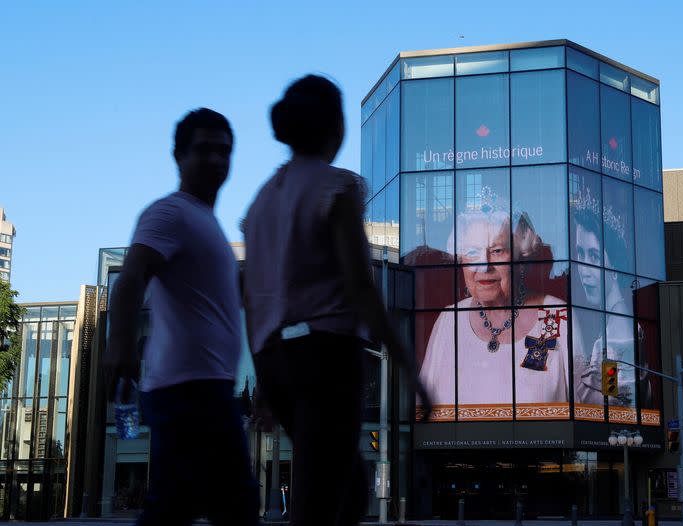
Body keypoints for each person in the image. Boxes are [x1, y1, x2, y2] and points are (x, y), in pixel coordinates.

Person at [242, 75, 431, 526]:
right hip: (326, 355)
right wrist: (405, 360)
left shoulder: (262, 203)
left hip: (274, 358)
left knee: (345, 482)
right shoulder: (335, 188)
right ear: (335, 128)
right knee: (321, 494)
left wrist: (266, 385)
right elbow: (360, 286)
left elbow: (257, 298)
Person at [104, 108, 259, 526]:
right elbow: (130, 278)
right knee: (233, 506)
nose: (215, 159)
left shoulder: (207, 225)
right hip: (187, 388)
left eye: (224, 151)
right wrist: (119, 348)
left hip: (204, 386)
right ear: (178, 156)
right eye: (204, 150)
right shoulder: (169, 214)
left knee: (178, 506)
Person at [419, 198, 570, 419]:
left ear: (520, 257)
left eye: (497, 251)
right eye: (472, 251)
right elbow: (422, 411)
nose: (484, 265)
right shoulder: (448, 321)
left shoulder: (557, 316)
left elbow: (591, 412)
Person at [571, 197, 637, 408]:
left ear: (615, 266)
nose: (584, 270)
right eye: (580, 254)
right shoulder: (623, 323)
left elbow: (616, 403)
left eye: (595, 256)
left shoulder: (615, 338)